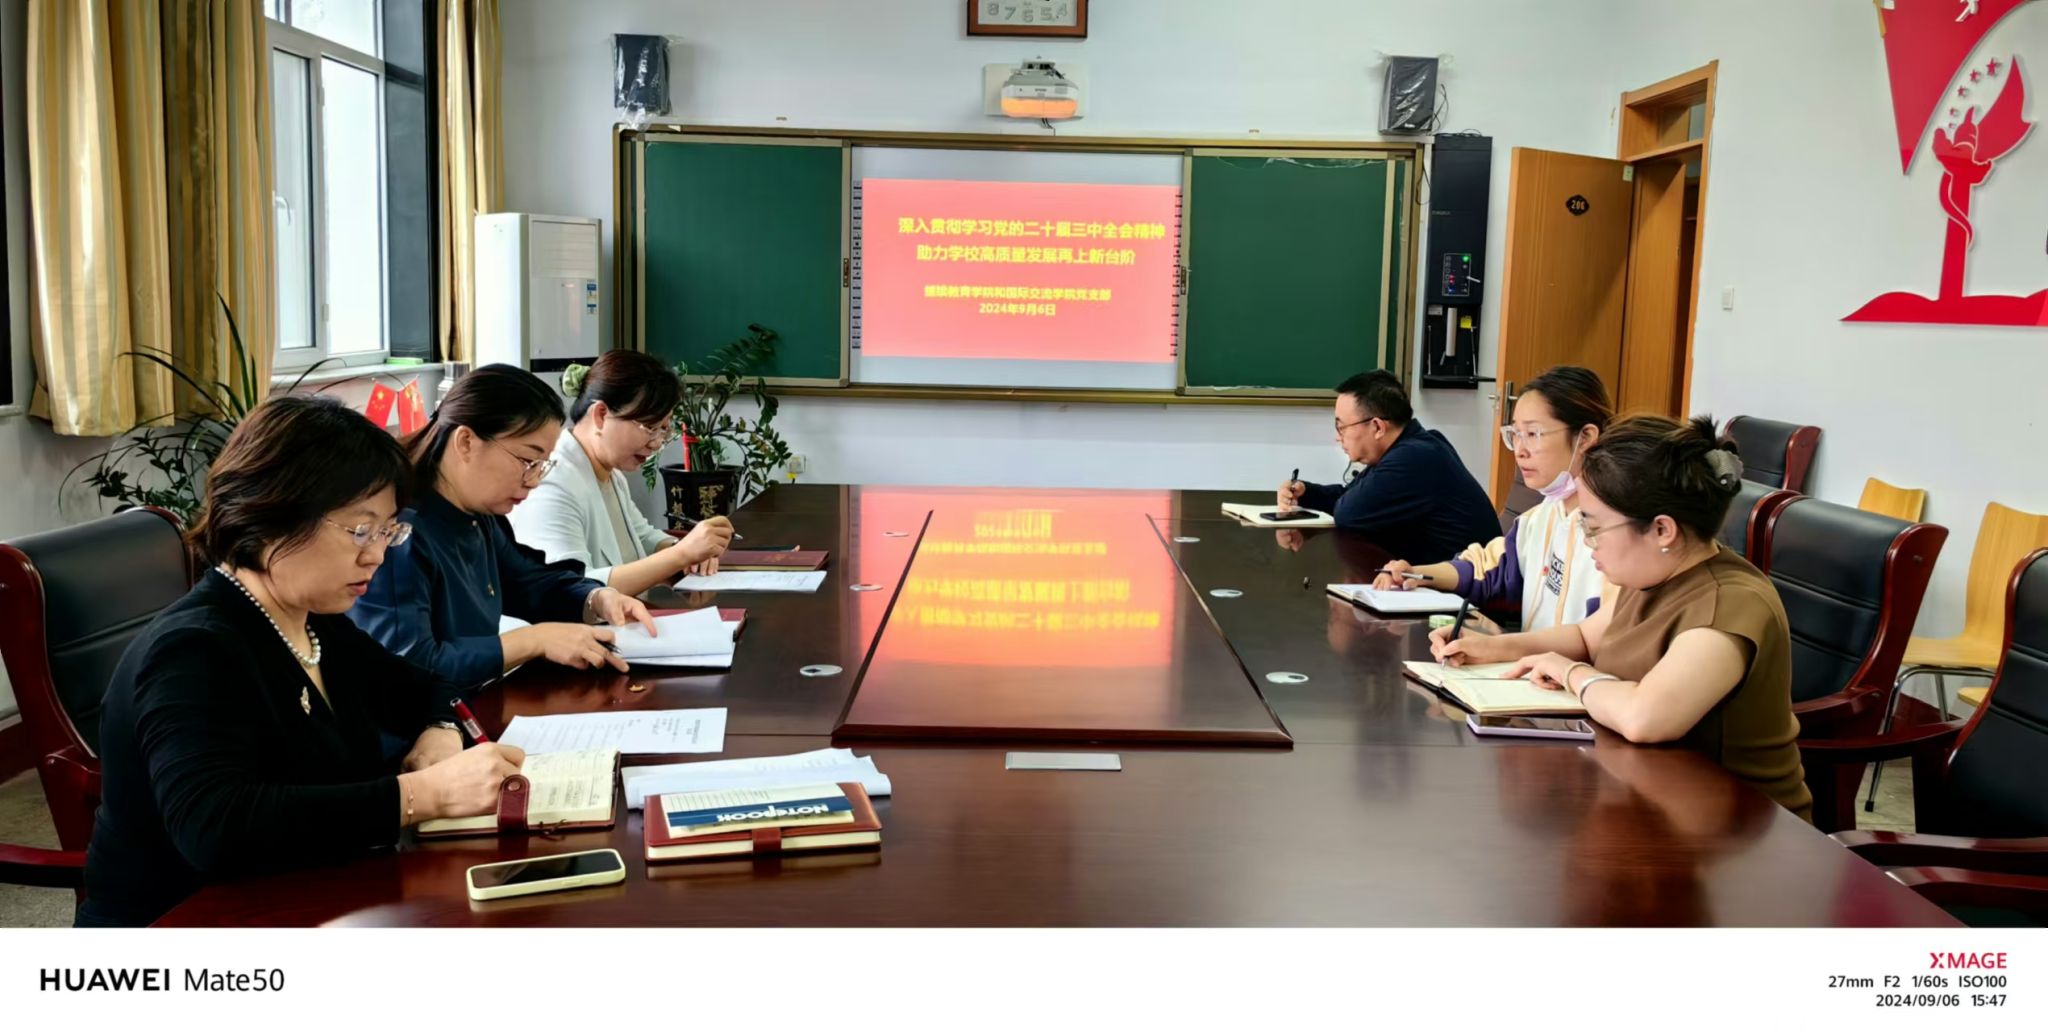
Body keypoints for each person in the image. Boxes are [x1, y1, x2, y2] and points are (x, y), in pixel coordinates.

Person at [78, 397, 525, 926]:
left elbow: (430, 687)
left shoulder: (314, 622)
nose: (376, 555)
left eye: (388, 530)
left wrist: (439, 733)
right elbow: (216, 828)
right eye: (360, 530)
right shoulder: (192, 650)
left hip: (313, 894)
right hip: (191, 926)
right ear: (272, 516)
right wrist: (421, 795)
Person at [1431, 415, 1812, 819]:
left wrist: (1570, 673)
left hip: (1734, 828)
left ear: (1662, 530)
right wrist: (1492, 647)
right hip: (1649, 796)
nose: (1587, 542)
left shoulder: (1730, 603)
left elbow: (1644, 717)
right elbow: (1586, 637)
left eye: (1594, 528)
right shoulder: (1652, 571)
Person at [351, 364, 655, 687]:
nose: (534, 480)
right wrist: (533, 641)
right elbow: (409, 666)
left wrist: (595, 598)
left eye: (542, 465)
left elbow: (528, 581)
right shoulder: (400, 535)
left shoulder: (478, 514)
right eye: (527, 461)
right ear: (466, 442)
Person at [1373, 366, 1612, 631]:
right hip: (1525, 656)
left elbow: (1596, 641)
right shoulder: (1541, 517)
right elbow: (1488, 570)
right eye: (1515, 435)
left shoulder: (1615, 535)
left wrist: (1502, 646)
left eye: (1533, 434)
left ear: (1585, 437)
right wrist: (1414, 573)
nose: (1519, 451)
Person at [508, 351, 733, 598]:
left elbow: (643, 536)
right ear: (601, 415)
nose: (657, 442)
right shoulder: (552, 483)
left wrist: (687, 551)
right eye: (650, 427)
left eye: (664, 429)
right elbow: (568, 588)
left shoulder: (608, 471)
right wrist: (681, 554)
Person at [1275, 370, 1497, 563]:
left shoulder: (1414, 458)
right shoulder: (1413, 444)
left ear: (1377, 427)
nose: (1337, 437)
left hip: (1468, 592)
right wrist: (1306, 492)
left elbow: (1348, 513)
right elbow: (1349, 495)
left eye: (1341, 427)